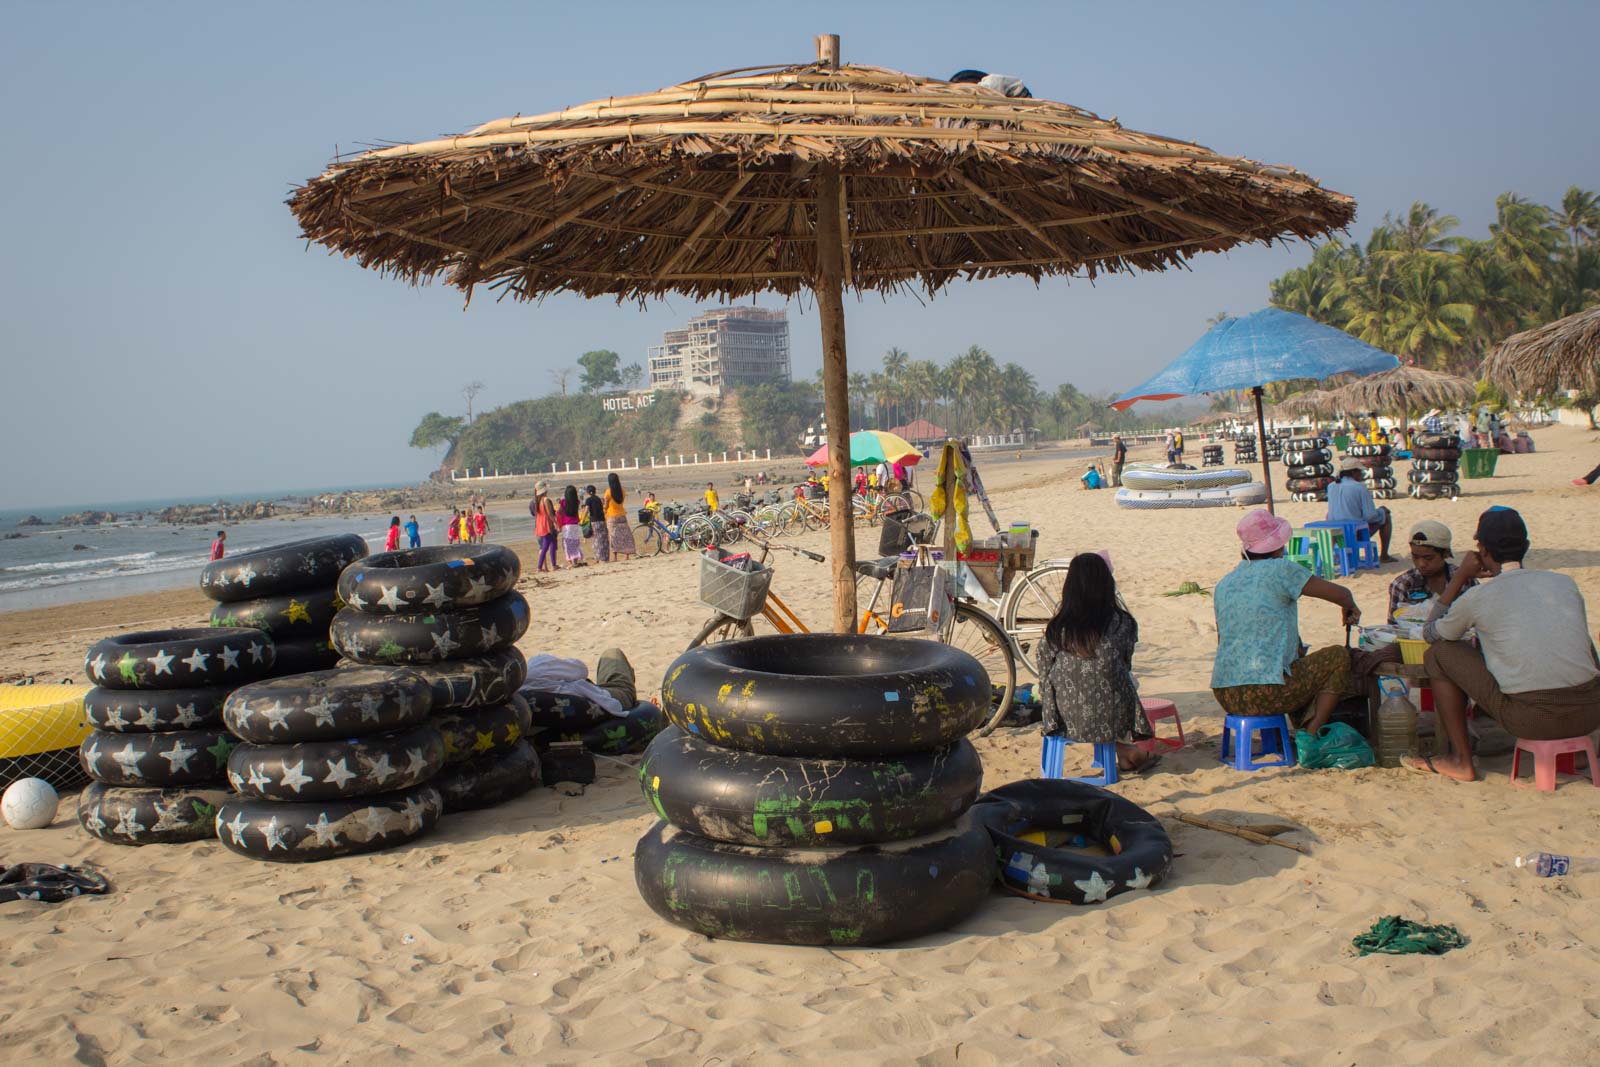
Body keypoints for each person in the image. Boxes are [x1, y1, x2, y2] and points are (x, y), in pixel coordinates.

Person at [1406, 508, 1600, 782]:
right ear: (1527, 546)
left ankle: (1461, 760)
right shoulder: (1563, 583)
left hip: (1531, 719)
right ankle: (1580, 748)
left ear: (1482, 550)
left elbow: (1430, 632)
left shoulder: (1479, 595)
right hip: (1591, 714)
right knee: (1577, 637)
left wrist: (1460, 577)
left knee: (1439, 654)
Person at [1211, 509, 1362, 734]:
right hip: (1268, 692)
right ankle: (1311, 734)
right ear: (1279, 546)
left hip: (1226, 693)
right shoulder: (1281, 569)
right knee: (1338, 656)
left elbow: (1224, 638)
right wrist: (1349, 606)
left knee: (1295, 659)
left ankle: (1295, 730)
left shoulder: (1225, 583)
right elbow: (1341, 594)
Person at [1036, 553, 1157, 773]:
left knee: (1064, 687)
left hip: (1063, 718)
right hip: (1112, 718)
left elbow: (1043, 668)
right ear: (1107, 585)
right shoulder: (1123, 623)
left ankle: (1124, 752)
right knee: (1119, 683)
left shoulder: (1058, 628)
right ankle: (1127, 751)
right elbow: (1125, 664)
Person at [1387, 520, 1475, 623]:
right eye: (1415, 557)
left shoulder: (1464, 580)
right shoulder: (1403, 584)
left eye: (1428, 558)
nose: (1421, 564)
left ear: (1446, 553)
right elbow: (1393, 626)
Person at [1326, 457, 1395, 561]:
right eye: (1360, 472)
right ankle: (1384, 555)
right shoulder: (1359, 487)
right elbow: (1370, 516)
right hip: (1354, 532)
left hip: (1335, 533)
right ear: (1354, 472)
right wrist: (1381, 512)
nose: (1361, 474)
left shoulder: (1331, 486)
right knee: (1386, 516)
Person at [604, 472, 636, 561]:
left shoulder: (608, 492)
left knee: (613, 536)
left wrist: (603, 509)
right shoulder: (623, 491)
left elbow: (606, 506)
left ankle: (614, 557)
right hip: (622, 515)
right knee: (625, 535)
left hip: (612, 516)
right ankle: (626, 555)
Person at [531, 483, 559, 572]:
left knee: (552, 543)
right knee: (546, 546)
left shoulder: (537, 501)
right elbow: (550, 514)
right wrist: (556, 523)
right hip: (547, 524)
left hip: (540, 524)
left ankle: (553, 565)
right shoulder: (546, 500)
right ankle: (539, 567)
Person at [558, 486, 585, 567]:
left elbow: (559, 511)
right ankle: (575, 559)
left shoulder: (563, 502)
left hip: (566, 525)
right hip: (575, 524)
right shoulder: (577, 501)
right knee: (575, 542)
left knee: (566, 543)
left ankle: (570, 561)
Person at [583, 485, 610, 563]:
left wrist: (583, 520)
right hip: (602, 520)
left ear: (588, 492)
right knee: (604, 539)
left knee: (596, 540)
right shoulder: (598, 499)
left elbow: (586, 510)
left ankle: (598, 558)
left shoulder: (588, 500)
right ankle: (605, 557)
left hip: (594, 521)